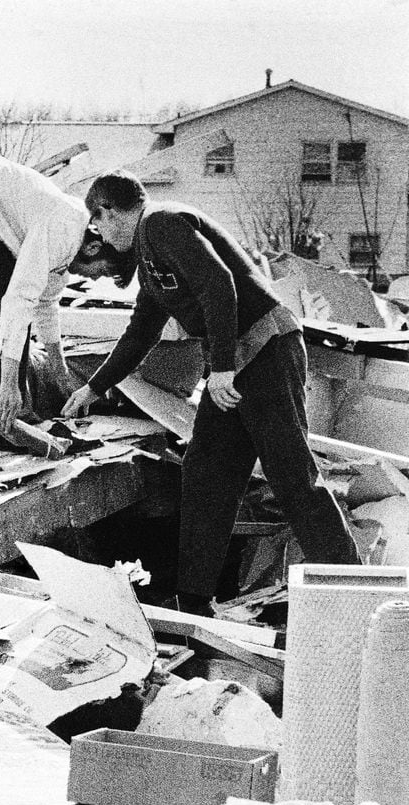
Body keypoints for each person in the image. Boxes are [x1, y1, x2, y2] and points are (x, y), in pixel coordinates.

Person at [62, 170, 359, 615]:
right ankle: (194, 599)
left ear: (106, 210)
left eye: (97, 222)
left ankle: (352, 587)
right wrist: (94, 386)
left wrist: (220, 369)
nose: (98, 233)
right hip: (235, 363)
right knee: (206, 473)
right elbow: (141, 330)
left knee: (291, 475)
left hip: (265, 349)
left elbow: (219, 284)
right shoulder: (149, 257)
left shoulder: (161, 223)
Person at [0, 152, 127, 449]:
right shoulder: (64, 227)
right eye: (102, 272)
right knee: (1, 310)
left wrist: (60, 373)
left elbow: (46, 304)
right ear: (94, 247)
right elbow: (20, 299)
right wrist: (9, 386)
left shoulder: (70, 244)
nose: (95, 280)